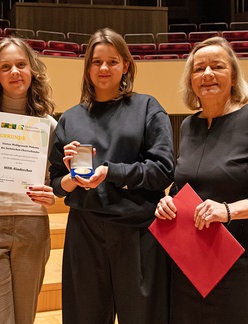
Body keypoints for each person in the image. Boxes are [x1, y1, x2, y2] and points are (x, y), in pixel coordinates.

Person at [154, 36, 248, 323]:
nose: (207, 74)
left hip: (239, 265)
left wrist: (228, 210)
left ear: (232, 76)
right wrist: (168, 200)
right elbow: (185, 183)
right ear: (191, 80)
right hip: (189, 267)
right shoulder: (189, 125)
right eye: (199, 69)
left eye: (217, 66)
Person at [48, 28, 174, 324]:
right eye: (96, 62)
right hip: (85, 233)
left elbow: (164, 170)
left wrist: (112, 172)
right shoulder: (70, 117)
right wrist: (69, 180)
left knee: (144, 317)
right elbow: (55, 182)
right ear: (87, 67)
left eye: (112, 61)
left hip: (138, 231)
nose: (104, 68)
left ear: (126, 65)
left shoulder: (147, 108)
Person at [0, 37, 57, 324]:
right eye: (5, 67)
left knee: (24, 319)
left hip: (32, 227)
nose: (14, 72)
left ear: (32, 70)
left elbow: (57, 179)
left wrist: (53, 193)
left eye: (21, 65)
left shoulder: (49, 124)